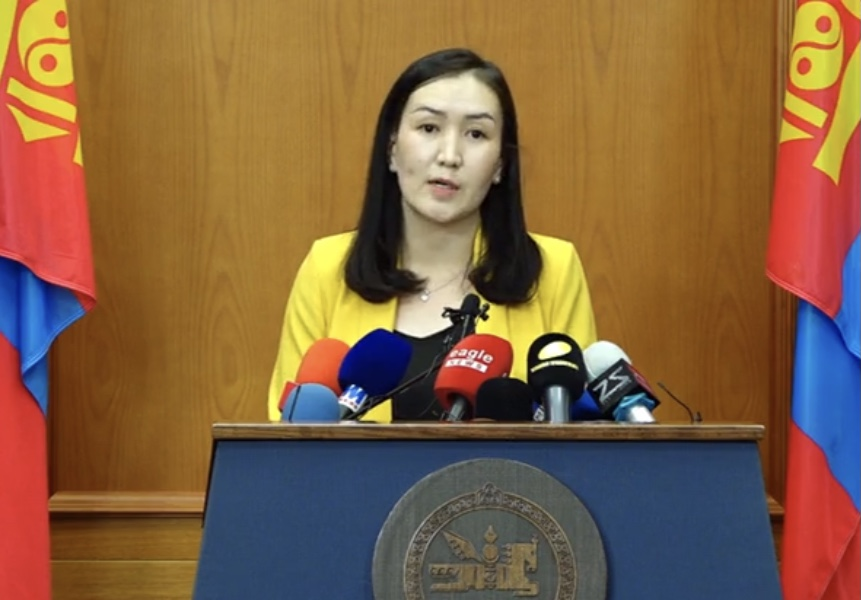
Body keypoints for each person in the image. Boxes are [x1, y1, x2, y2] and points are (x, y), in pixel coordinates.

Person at [267, 48, 597, 422]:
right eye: (429, 128)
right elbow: (288, 433)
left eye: (476, 133)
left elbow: (580, 433)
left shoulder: (552, 271)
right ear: (391, 148)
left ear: (500, 165)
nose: (449, 155)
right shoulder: (327, 269)